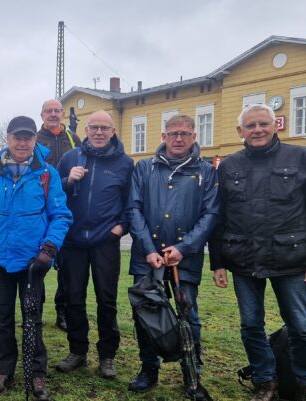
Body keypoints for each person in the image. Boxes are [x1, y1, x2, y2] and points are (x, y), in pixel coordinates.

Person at [210, 104, 306, 401]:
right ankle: (265, 382)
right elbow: (219, 217)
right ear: (240, 131)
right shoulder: (229, 166)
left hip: (290, 260)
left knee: (300, 328)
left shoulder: (302, 158)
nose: (257, 130)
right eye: (250, 126)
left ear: (275, 125)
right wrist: (218, 262)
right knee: (250, 325)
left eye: (263, 124)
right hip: (244, 259)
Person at [0, 116, 72, 401]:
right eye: (17, 137)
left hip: (32, 262)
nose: (23, 142)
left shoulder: (46, 173)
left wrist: (49, 249)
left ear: (34, 140)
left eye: (28, 137)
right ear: (9, 139)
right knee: (1, 318)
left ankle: (36, 373)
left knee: (32, 318)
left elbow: (61, 215)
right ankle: (4, 369)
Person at [126, 114, 217, 400]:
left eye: (185, 134)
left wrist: (184, 247)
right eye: (173, 133)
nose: (179, 138)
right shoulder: (144, 168)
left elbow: (211, 214)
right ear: (163, 137)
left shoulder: (206, 172)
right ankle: (148, 370)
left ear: (194, 137)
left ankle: (192, 375)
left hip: (184, 260)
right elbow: (134, 210)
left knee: (189, 317)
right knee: (146, 314)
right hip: (147, 257)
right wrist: (149, 249)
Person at [54, 110, 132, 378]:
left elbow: (132, 201)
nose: (99, 132)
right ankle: (77, 351)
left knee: (106, 300)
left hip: (105, 241)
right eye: (94, 127)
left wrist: (121, 228)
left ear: (113, 132)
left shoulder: (125, 163)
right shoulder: (70, 158)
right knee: (73, 299)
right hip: (73, 241)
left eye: (104, 128)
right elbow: (53, 194)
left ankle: (107, 356)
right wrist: (67, 181)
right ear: (86, 130)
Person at [36, 99, 81, 332]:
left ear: (63, 114)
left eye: (56, 111)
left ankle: (61, 310)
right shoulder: (34, 140)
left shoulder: (73, 138)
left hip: (66, 207)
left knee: (65, 264)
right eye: (48, 111)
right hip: (40, 209)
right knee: (38, 260)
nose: (53, 114)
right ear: (42, 115)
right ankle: (36, 310)